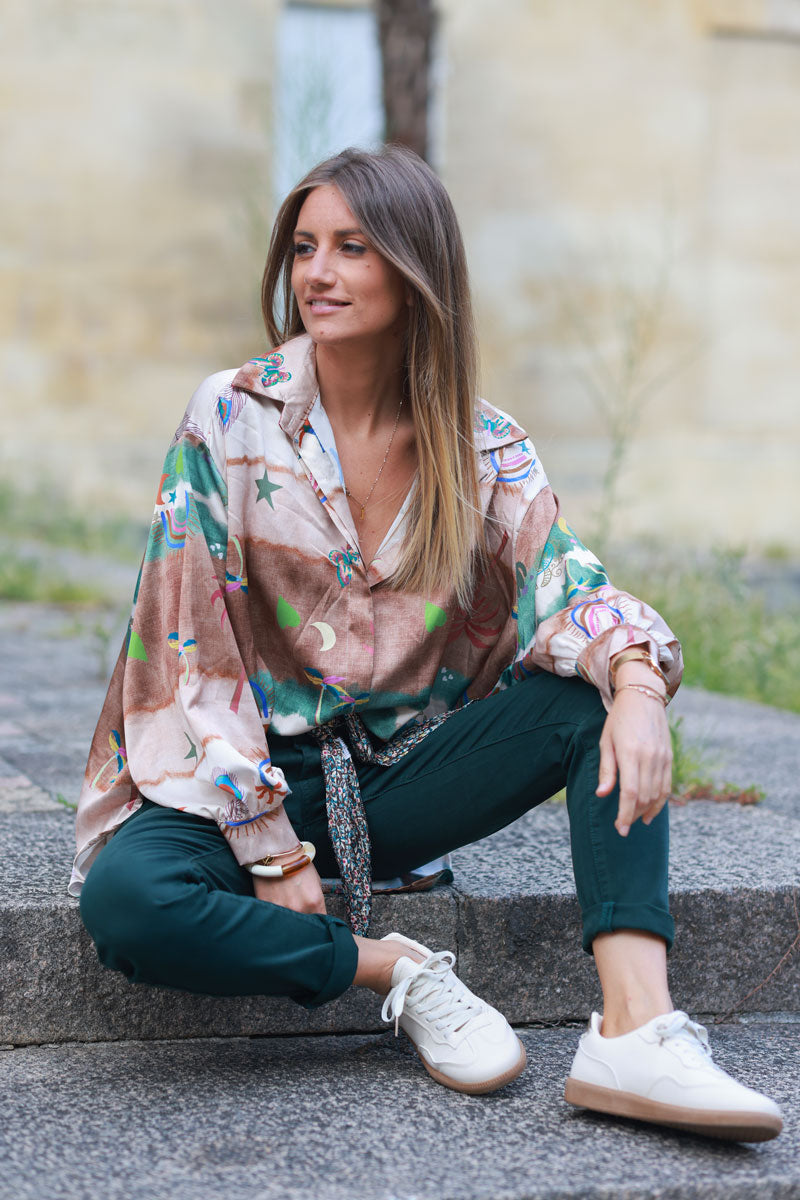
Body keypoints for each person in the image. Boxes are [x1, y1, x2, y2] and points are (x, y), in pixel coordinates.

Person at [71, 145, 781, 1141]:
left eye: (352, 248)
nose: (316, 273)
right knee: (129, 903)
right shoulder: (231, 416)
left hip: (398, 784)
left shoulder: (482, 447)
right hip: (234, 779)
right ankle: (396, 970)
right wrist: (270, 851)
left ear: (413, 274)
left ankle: (634, 1029)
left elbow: (564, 589)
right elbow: (184, 651)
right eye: (306, 247)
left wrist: (632, 684)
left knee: (593, 701)